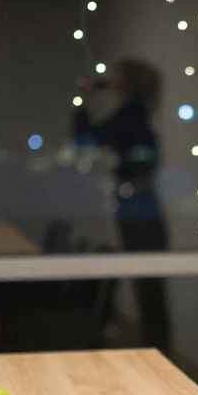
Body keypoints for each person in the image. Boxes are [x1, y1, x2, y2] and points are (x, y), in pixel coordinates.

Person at [74, 58, 170, 353]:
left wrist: (84, 101)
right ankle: (158, 350)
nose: (113, 80)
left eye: (118, 77)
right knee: (150, 289)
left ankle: (158, 353)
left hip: (139, 209)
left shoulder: (133, 113)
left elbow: (87, 138)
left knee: (149, 289)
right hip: (142, 207)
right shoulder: (139, 113)